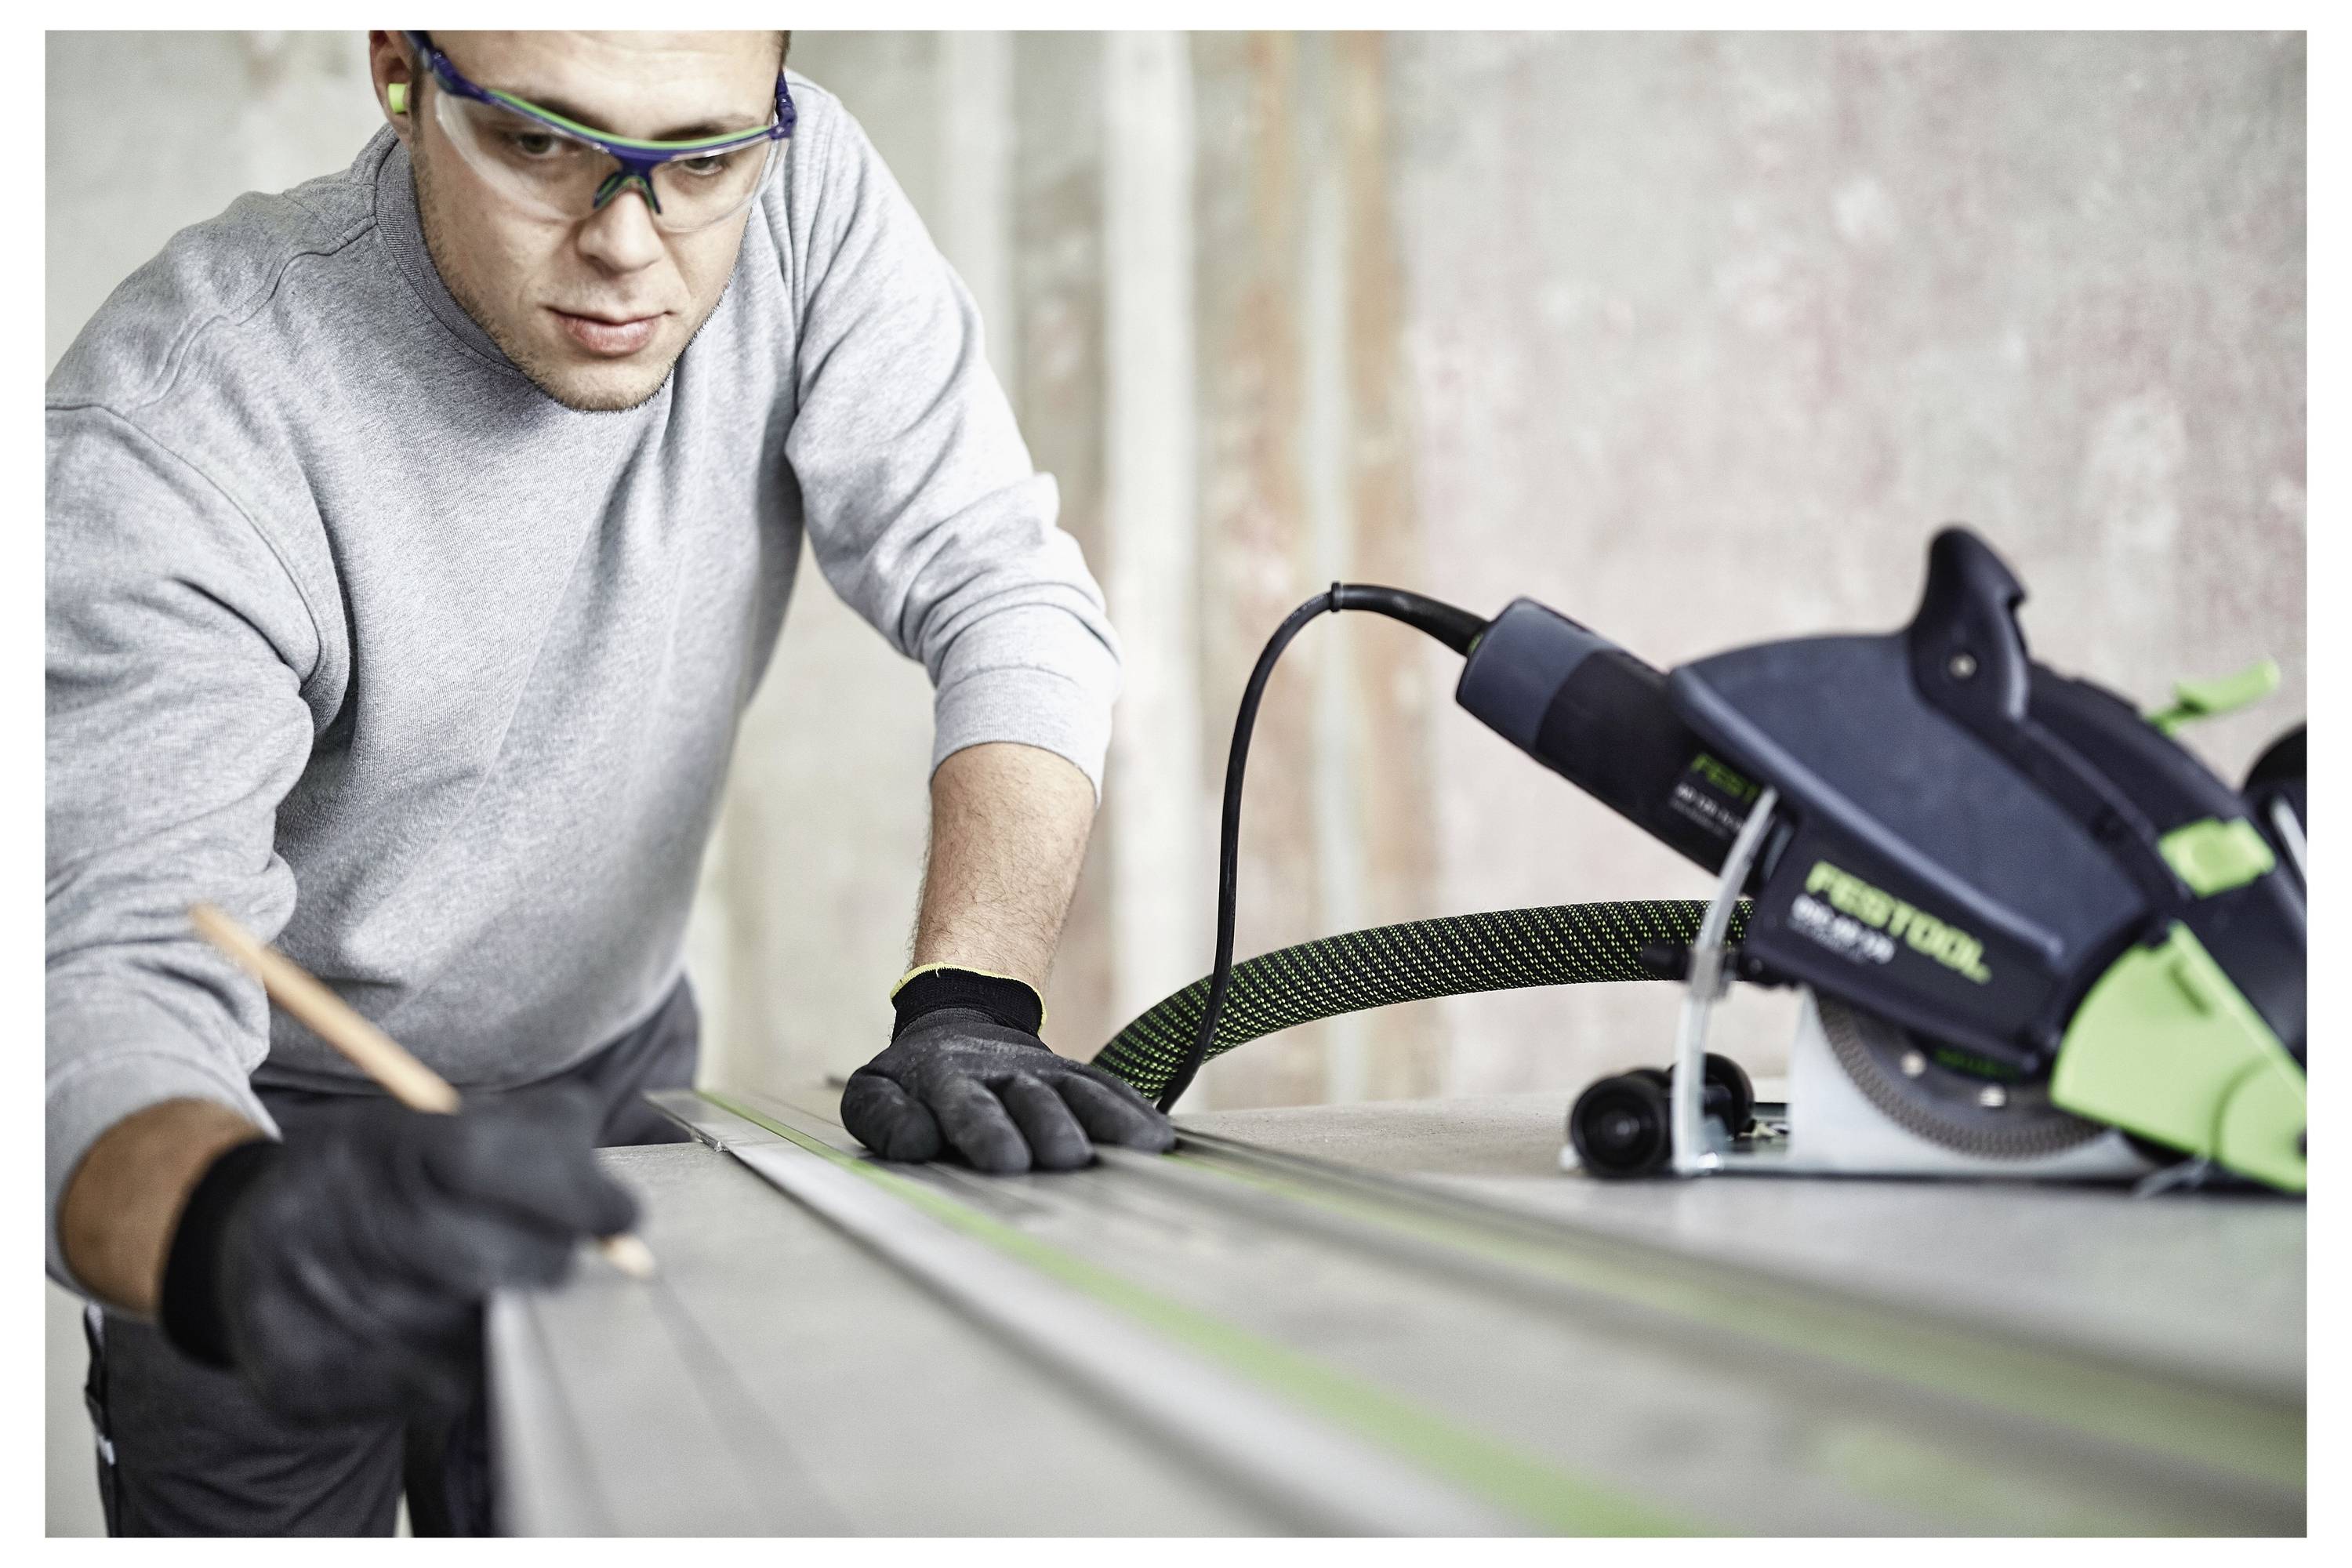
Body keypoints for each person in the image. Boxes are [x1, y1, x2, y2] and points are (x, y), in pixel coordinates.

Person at [45, 29, 1173, 1536]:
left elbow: (1006, 593)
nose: (629, 244)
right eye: (536, 144)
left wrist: (972, 999)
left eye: (700, 159)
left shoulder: (802, 186)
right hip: (267, 1153)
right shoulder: (180, 425)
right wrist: (223, 1237)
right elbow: (90, 988)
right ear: (401, 71)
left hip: (611, 1082)